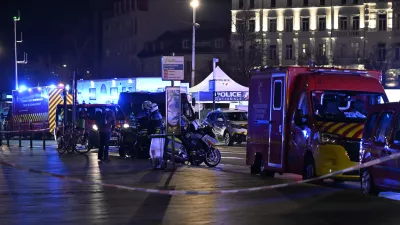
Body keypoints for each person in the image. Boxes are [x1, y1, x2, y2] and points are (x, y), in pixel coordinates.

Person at [148, 103, 165, 169]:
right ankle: (158, 164)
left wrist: (149, 133)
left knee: (154, 150)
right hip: (160, 135)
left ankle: (156, 164)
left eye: (151, 108)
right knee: (159, 151)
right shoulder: (158, 114)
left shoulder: (154, 116)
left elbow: (151, 127)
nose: (150, 109)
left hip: (156, 136)